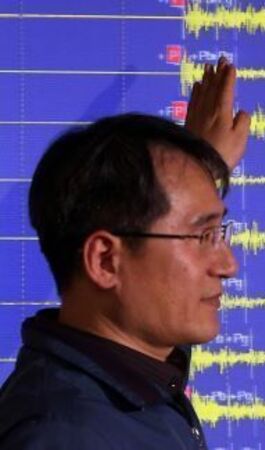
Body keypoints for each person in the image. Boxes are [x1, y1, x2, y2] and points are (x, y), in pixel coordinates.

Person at [0, 57, 250, 449]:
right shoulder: (67, 435)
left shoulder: (125, 380)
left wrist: (198, 170)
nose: (228, 265)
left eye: (218, 232)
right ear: (104, 261)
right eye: (202, 235)